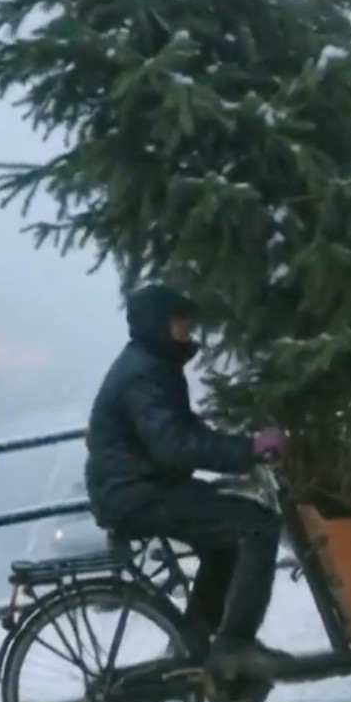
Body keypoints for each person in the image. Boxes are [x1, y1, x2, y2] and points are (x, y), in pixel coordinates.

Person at [85, 283, 292, 679]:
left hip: (141, 487)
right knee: (258, 526)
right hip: (137, 493)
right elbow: (174, 445)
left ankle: (192, 648)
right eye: (180, 323)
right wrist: (249, 449)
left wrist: (243, 447)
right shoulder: (144, 374)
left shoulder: (152, 365)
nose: (188, 331)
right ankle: (236, 646)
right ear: (159, 325)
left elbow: (185, 434)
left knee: (223, 543)